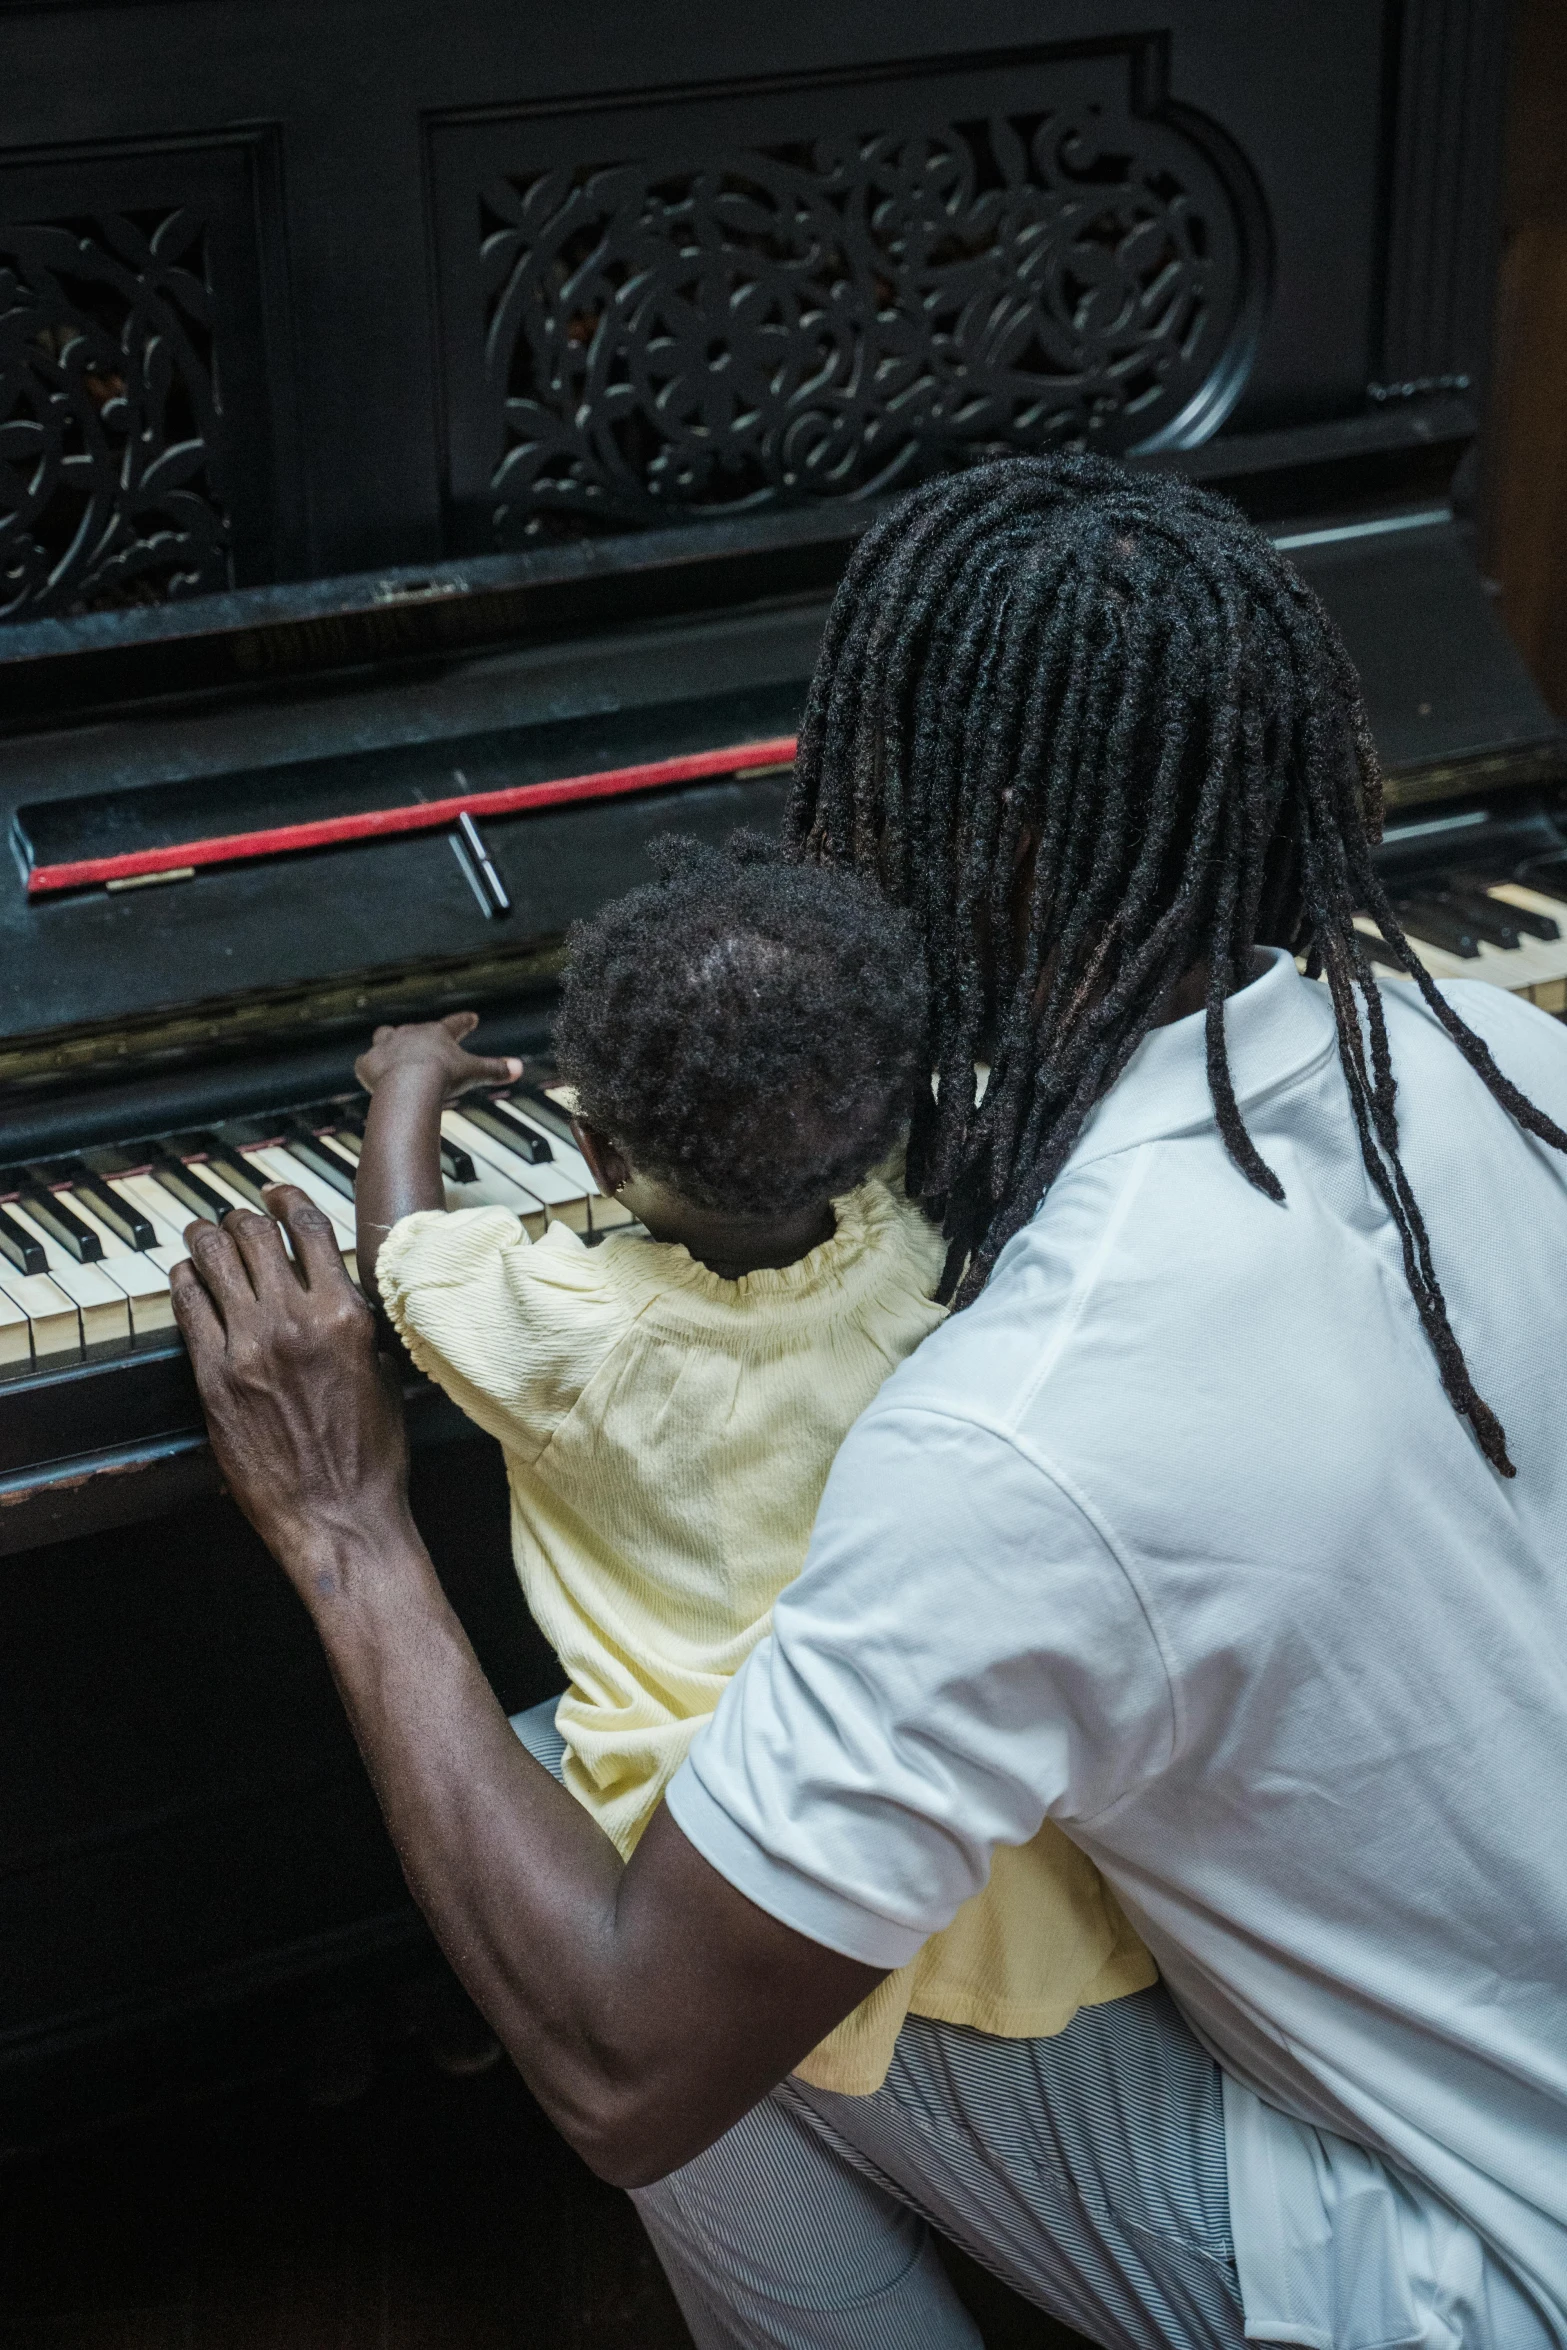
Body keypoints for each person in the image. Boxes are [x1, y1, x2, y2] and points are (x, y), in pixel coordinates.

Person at [171, 455, 1567, 2350]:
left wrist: (347, 1535)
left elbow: (619, 2064)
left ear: (949, 829)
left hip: (1474, 2270)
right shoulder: (1480, 1055)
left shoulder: (1015, 1436)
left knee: (611, 1904)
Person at [349, 837, 1151, 2096]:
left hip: (703, 1828)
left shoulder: (575, 1336)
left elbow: (407, 1257)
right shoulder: (906, 1250)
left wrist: (405, 1084)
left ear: (599, 1155)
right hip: (915, 1775)